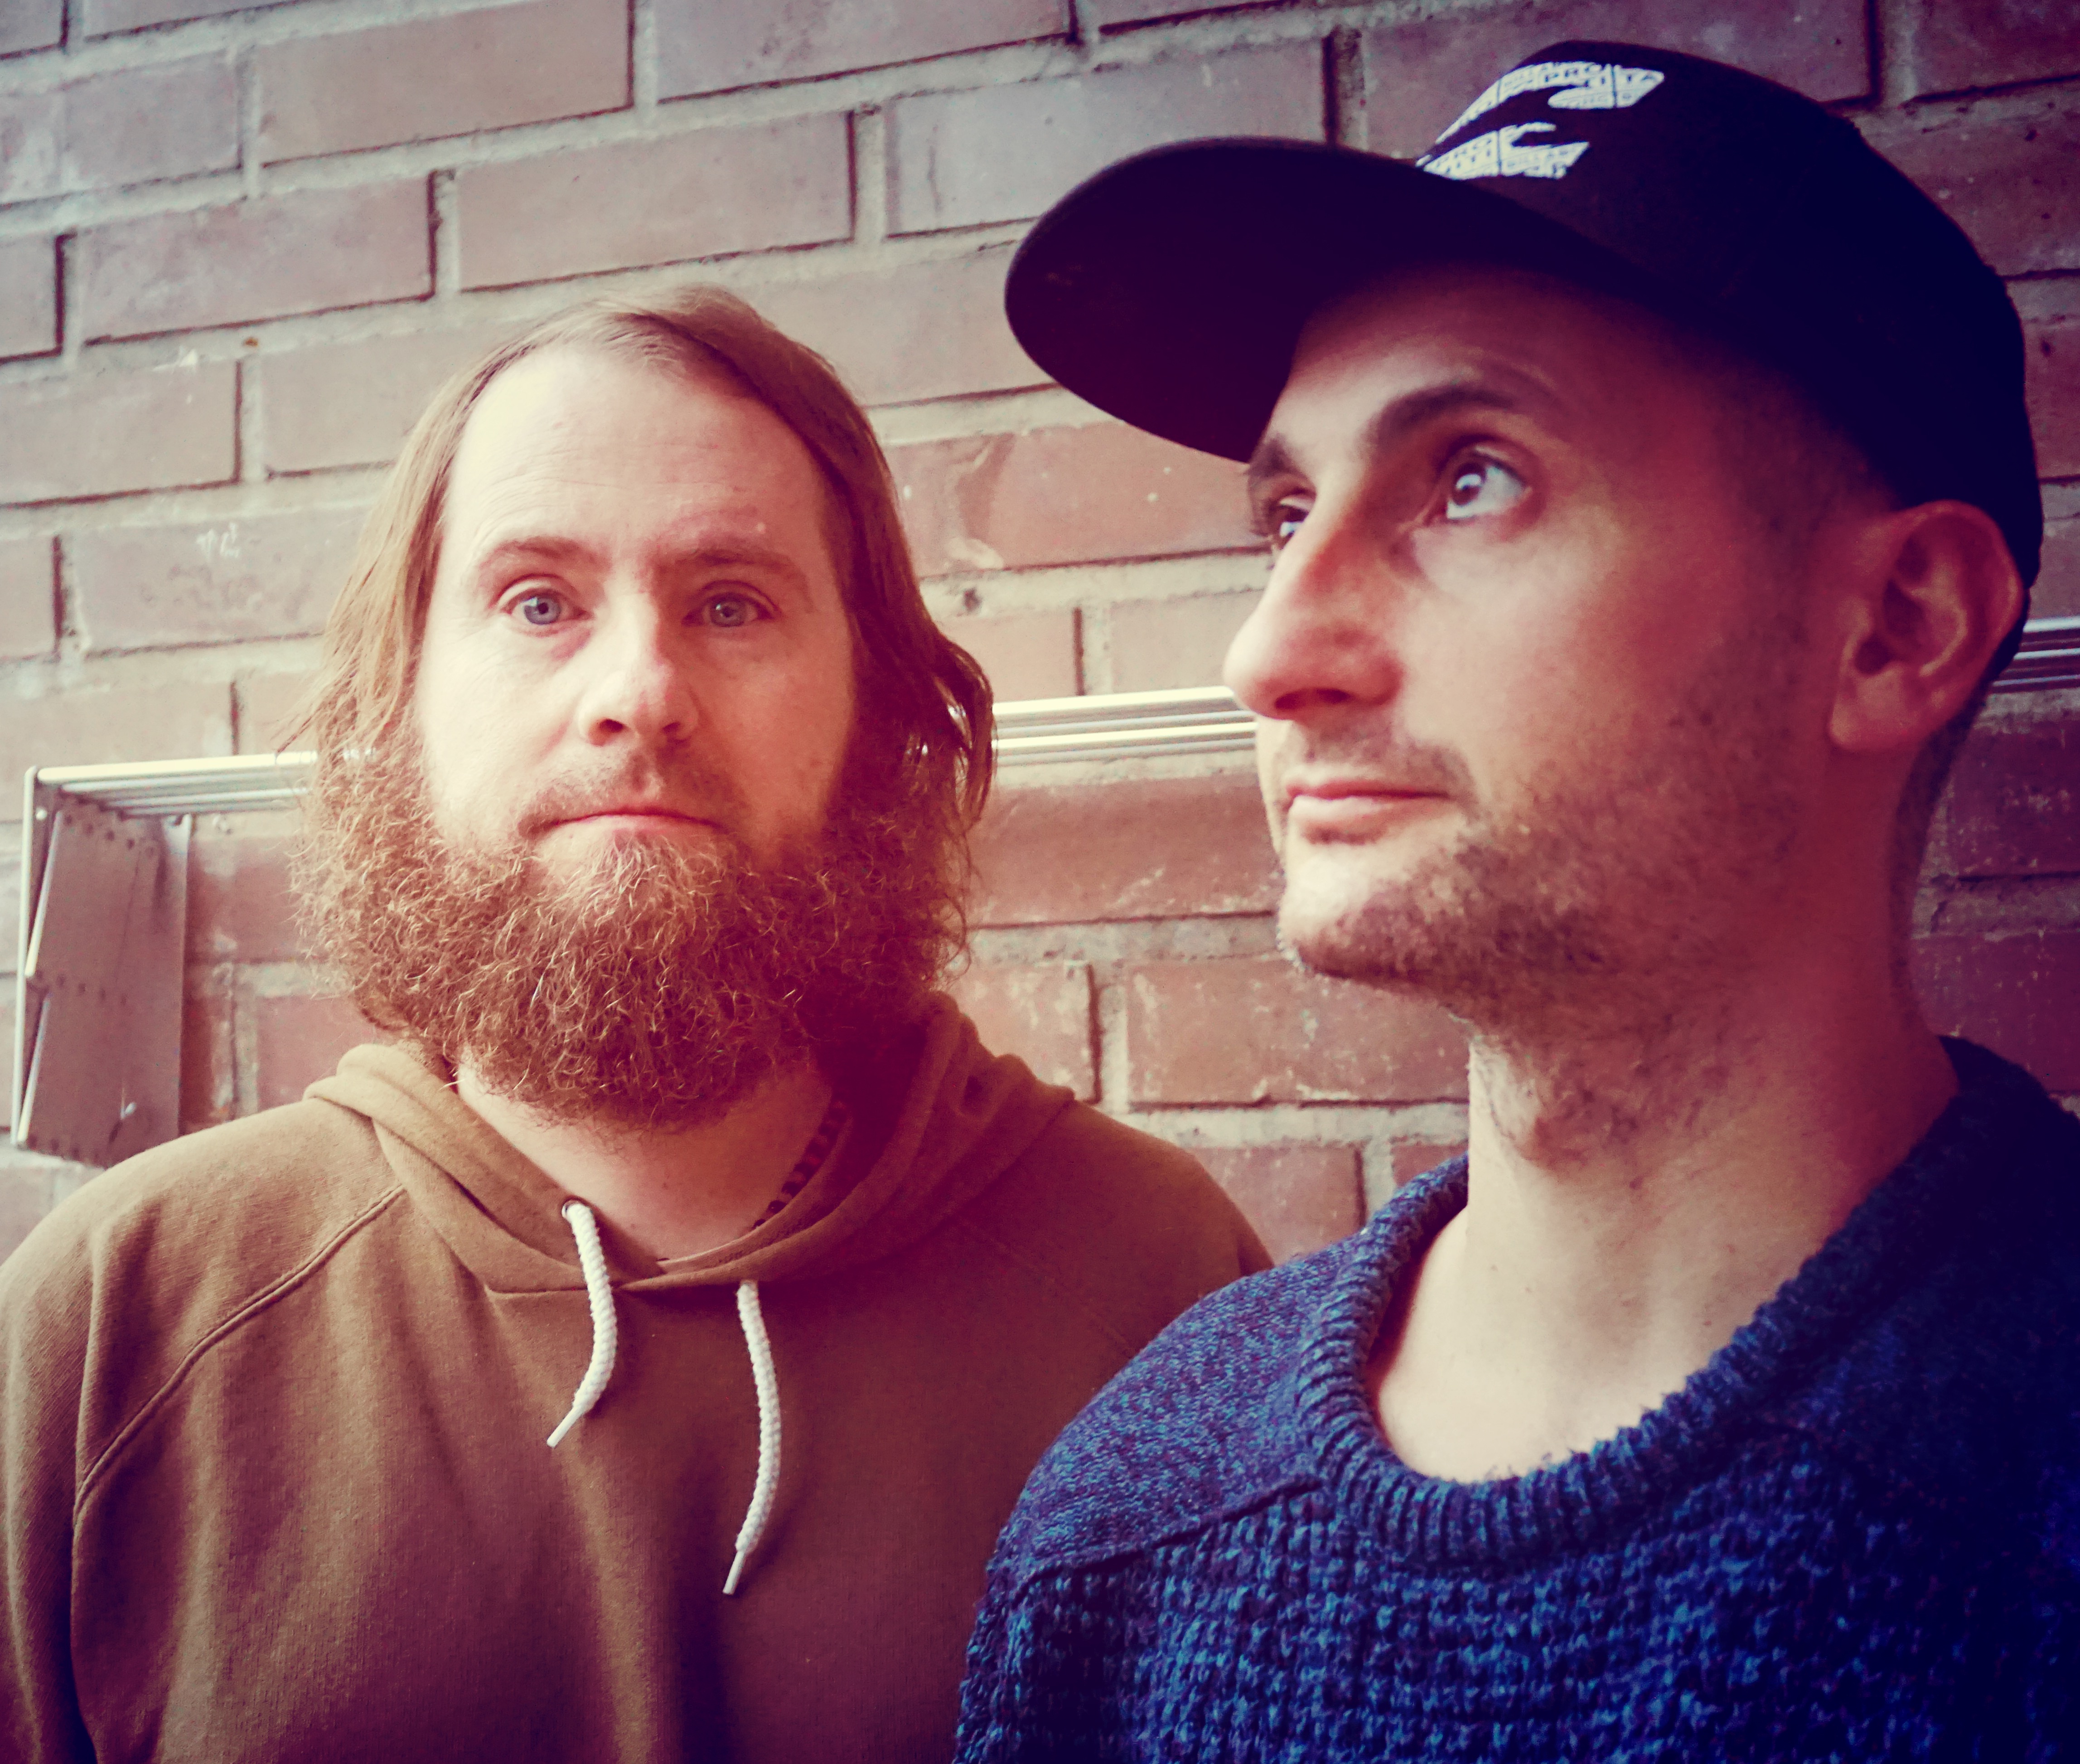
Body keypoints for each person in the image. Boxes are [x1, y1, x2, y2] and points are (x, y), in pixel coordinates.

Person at [957, 41, 2079, 1758]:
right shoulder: (1127, 1525)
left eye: (1471, 477)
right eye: (1285, 514)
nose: (1270, 650)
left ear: (1897, 626)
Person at [0, 286, 1267, 1764]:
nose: (639, 694)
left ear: (875, 708)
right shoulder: (115, 1320)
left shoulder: (1163, 1288)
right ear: (404, 702)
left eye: (732, 603)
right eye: (538, 602)